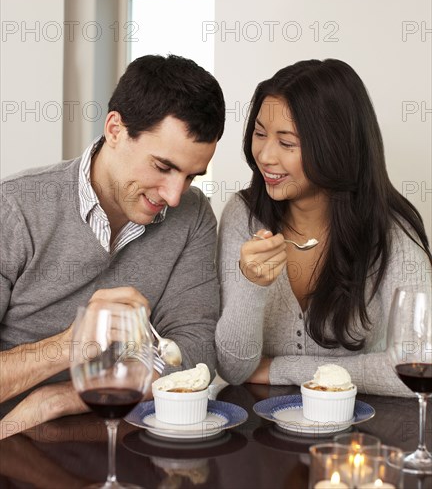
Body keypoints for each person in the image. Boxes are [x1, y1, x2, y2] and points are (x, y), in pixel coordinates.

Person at [0, 54, 225, 437]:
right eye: (163, 167)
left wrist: (61, 399)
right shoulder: (16, 208)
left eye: (191, 176)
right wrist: (71, 344)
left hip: (125, 440)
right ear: (115, 129)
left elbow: (196, 350)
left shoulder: (193, 214)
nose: (173, 196)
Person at [215, 58, 431, 397]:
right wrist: (250, 284)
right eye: (259, 134)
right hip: (261, 438)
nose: (266, 155)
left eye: (287, 143)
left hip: (357, 437)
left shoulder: (392, 235)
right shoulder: (243, 216)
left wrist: (280, 368)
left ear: (335, 146)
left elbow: (416, 367)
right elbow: (234, 368)